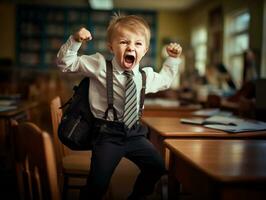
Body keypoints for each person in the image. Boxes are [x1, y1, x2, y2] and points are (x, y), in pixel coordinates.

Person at [56, 14, 182, 200]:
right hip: (107, 135)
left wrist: (172, 59)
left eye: (138, 44)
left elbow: (165, 81)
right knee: (97, 185)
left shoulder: (145, 76)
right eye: (124, 42)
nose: (131, 47)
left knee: (157, 167)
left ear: (145, 50)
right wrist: (75, 41)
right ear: (111, 47)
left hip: (134, 134)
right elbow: (65, 64)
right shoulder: (100, 65)